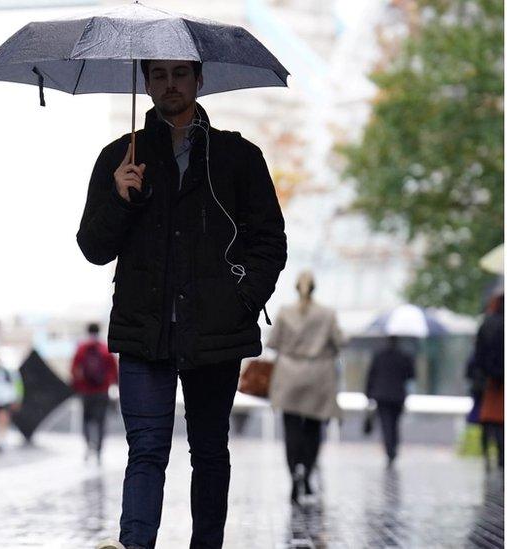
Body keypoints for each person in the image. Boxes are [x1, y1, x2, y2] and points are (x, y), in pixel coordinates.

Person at [79, 59, 287, 549]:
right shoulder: (120, 156)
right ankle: (135, 544)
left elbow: (269, 242)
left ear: (198, 79)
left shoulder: (237, 156)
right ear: (146, 82)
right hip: (144, 329)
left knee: (210, 451)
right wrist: (118, 196)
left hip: (215, 331)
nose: (169, 84)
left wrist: (240, 300)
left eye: (179, 73)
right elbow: (93, 247)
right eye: (158, 75)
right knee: (146, 451)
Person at [266, 271, 345, 505]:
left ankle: (293, 476)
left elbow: (272, 343)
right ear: (315, 287)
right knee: (313, 430)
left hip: (288, 376)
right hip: (318, 376)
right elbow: (339, 342)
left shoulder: (284, 313)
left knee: (291, 431)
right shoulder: (327, 314)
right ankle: (307, 474)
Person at [364, 336, 416, 467]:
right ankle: (393, 449)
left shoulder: (379, 356)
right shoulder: (404, 357)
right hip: (398, 396)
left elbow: (370, 376)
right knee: (394, 424)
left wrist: (368, 395)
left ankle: (390, 451)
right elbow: (411, 374)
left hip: (382, 396)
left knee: (386, 424)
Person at [71, 322, 118, 463]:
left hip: (86, 392)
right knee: (101, 421)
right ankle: (99, 450)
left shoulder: (81, 348)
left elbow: (74, 369)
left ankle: (88, 445)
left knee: (86, 420)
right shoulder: (105, 348)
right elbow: (114, 370)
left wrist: (78, 386)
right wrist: (113, 384)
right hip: (102, 392)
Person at [474, 293, 504, 470]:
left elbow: (479, 354)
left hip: (491, 381)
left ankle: (491, 455)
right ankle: (501, 456)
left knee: (490, 419)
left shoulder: (488, 324)